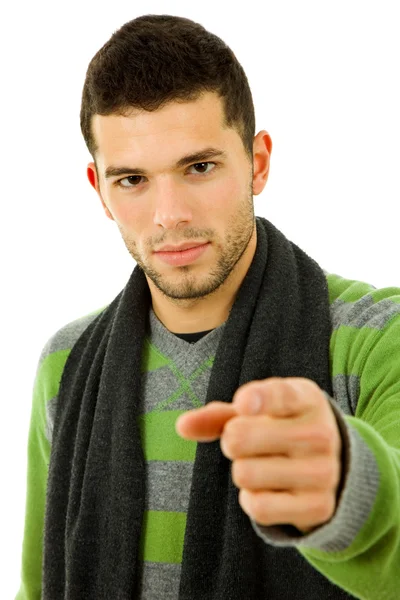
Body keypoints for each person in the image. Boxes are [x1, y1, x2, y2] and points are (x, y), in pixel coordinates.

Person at [15, 14, 400, 600]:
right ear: (98, 189)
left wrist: (353, 487)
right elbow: (39, 586)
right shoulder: (65, 363)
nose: (169, 215)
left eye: (199, 167)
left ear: (259, 162)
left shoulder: (375, 338)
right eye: (132, 180)